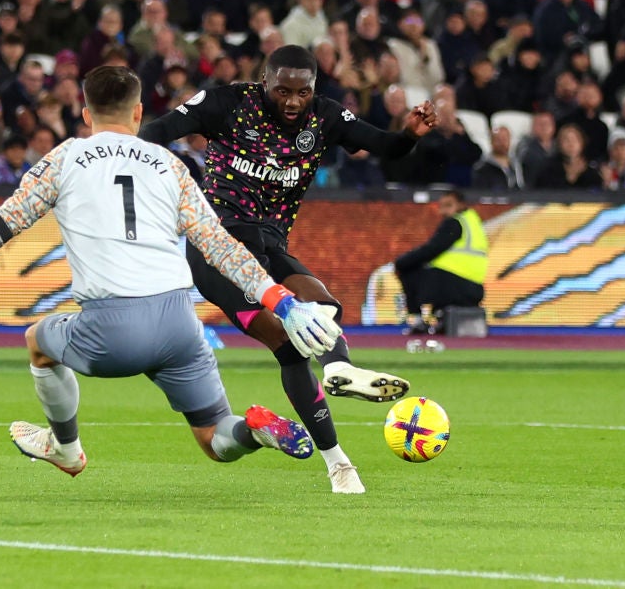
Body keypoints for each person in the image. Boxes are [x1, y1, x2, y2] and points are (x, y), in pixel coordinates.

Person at [0, 66, 343, 482]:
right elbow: (222, 247)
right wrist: (282, 302)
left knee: (38, 343)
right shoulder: (170, 165)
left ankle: (68, 450)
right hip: (178, 324)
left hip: (111, 330)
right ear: (138, 113)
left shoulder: (65, 159)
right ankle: (254, 430)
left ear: (86, 113)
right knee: (215, 437)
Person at [140, 45, 438, 491]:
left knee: (321, 310)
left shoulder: (327, 116)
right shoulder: (226, 103)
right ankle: (337, 452)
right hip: (218, 248)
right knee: (292, 341)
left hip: (269, 242)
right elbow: (158, 130)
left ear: (314, 88)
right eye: (283, 90)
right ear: (265, 82)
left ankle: (339, 393)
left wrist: (410, 133)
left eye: (303, 91)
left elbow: (385, 146)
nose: (293, 101)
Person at [394, 189, 488, 335]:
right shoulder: (473, 220)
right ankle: (440, 317)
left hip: (455, 284)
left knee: (408, 269)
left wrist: (400, 262)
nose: (443, 211)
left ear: (461, 205)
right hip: (474, 287)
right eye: (441, 206)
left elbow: (431, 249)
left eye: (448, 205)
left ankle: (419, 321)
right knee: (429, 272)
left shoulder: (454, 223)